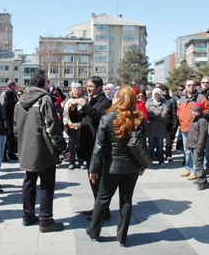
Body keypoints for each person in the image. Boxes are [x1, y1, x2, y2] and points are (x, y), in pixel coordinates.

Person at [86, 86, 146, 246]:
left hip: (112, 166)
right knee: (126, 201)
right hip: (131, 167)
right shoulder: (138, 119)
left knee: (102, 199)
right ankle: (122, 237)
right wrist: (141, 165)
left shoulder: (107, 119)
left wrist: (94, 169)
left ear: (118, 100)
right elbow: (137, 145)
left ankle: (94, 231)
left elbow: (99, 147)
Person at [14, 69, 70, 232]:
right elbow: (53, 127)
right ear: (42, 82)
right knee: (47, 184)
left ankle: (28, 216)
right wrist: (63, 148)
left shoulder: (20, 100)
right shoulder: (45, 99)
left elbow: (15, 128)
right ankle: (46, 219)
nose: (49, 84)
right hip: (43, 150)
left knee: (29, 182)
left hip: (26, 148)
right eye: (47, 81)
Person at [68, 76, 112, 216]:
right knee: (92, 178)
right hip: (88, 144)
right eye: (87, 86)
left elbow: (101, 117)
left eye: (91, 86)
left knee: (98, 179)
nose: (88, 88)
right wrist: (73, 108)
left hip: (98, 146)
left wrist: (85, 105)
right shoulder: (90, 100)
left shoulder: (106, 102)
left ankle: (103, 211)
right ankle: (98, 207)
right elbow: (76, 118)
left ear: (99, 87)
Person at [177, 79, 209, 180]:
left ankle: (195, 170)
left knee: (195, 151)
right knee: (187, 150)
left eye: (193, 85)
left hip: (196, 128)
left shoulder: (200, 97)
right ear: (186, 87)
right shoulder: (182, 98)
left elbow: (207, 109)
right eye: (189, 85)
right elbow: (179, 111)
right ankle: (188, 167)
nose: (191, 87)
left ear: (196, 86)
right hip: (185, 127)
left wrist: (199, 117)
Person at [186, 102, 209, 190]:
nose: (194, 113)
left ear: (200, 112)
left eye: (196, 112)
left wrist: (199, 147)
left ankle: (202, 180)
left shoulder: (202, 121)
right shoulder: (194, 120)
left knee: (198, 163)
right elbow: (191, 133)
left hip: (197, 146)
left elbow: (202, 136)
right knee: (196, 163)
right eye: (193, 111)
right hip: (192, 144)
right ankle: (201, 179)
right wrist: (188, 144)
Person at [145, 88, 169, 167]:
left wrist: (153, 115)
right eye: (155, 94)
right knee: (151, 145)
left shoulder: (164, 102)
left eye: (158, 94)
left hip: (160, 127)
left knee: (160, 145)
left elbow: (164, 115)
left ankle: (161, 161)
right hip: (151, 127)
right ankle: (150, 161)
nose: (157, 96)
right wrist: (157, 114)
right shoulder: (148, 102)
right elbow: (147, 114)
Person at [63, 82, 83, 170]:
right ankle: (72, 161)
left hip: (81, 127)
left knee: (81, 145)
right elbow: (65, 113)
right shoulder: (69, 101)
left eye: (78, 90)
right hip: (71, 126)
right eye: (75, 90)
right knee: (71, 145)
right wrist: (65, 124)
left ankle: (81, 161)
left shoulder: (83, 100)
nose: (77, 92)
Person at [0, 80, 18, 161]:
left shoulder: (13, 94)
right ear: (11, 86)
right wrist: (5, 120)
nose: (16, 87)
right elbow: (3, 107)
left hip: (12, 118)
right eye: (14, 86)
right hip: (7, 118)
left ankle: (11, 153)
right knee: (6, 137)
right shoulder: (5, 94)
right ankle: (3, 155)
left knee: (12, 137)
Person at [161, 85, 178, 162]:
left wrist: (175, 123)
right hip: (160, 124)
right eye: (163, 91)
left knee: (169, 142)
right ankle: (160, 155)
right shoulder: (159, 100)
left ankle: (169, 155)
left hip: (169, 124)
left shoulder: (172, 100)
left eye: (165, 90)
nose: (164, 92)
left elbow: (174, 113)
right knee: (159, 142)